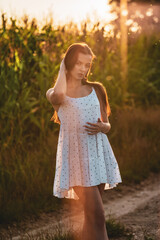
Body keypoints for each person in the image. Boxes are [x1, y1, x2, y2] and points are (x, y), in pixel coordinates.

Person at [46, 42, 122, 240]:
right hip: (77, 161)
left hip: (98, 155)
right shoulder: (55, 94)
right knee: (98, 215)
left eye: (87, 65)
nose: (83, 69)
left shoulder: (96, 89)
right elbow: (60, 94)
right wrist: (63, 65)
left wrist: (102, 127)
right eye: (78, 63)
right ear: (69, 63)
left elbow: (107, 124)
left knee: (90, 218)